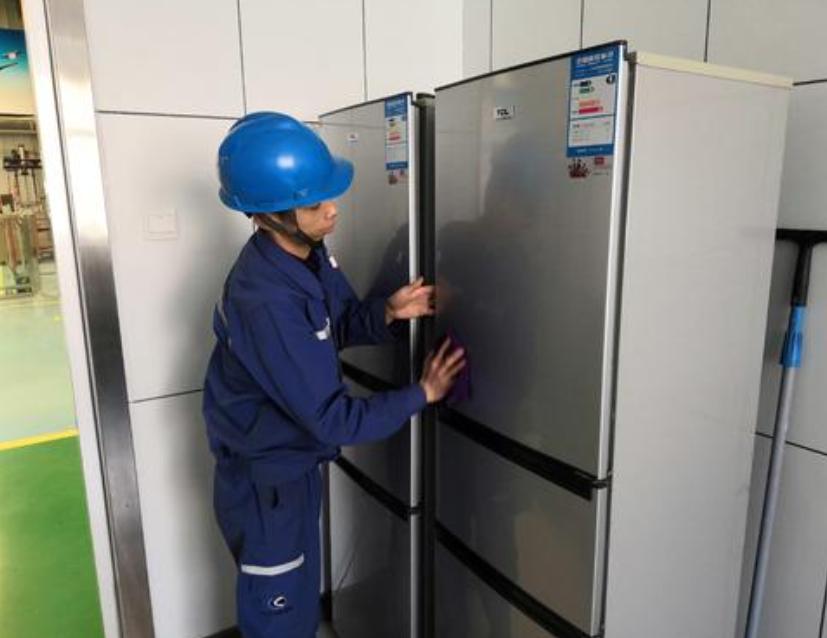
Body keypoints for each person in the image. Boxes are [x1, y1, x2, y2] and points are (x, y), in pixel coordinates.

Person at [203, 112, 465, 638]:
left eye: (328, 195)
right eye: (313, 204)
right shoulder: (264, 300)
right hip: (267, 485)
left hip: (292, 468)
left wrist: (387, 311)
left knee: (298, 601)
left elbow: (336, 323)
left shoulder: (308, 254)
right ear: (268, 215)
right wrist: (422, 392)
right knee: (279, 618)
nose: (332, 209)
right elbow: (333, 419)